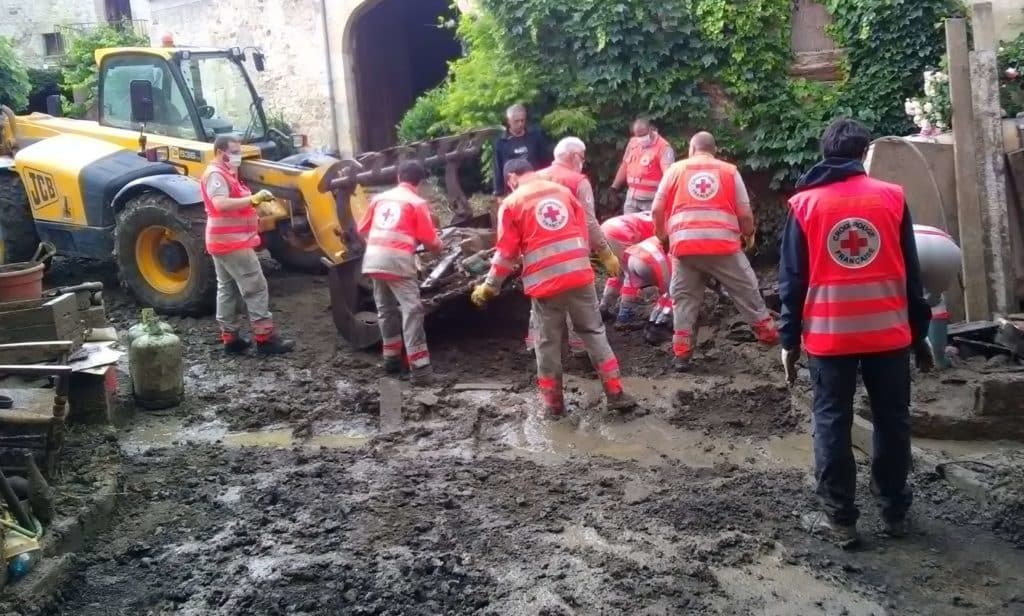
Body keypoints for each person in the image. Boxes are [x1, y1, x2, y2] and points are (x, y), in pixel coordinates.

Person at [779, 118, 933, 547]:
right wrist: (919, 333)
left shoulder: (804, 205)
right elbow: (911, 274)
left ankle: (841, 518)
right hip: (888, 334)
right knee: (893, 421)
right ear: (864, 154)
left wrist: (789, 340)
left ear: (825, 152)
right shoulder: (892, 198)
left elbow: (791, 281)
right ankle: (894, 512)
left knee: (831, 421)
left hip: (830, 338)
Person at [471, 160, 633, 417]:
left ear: (512, 177)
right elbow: (588, 225)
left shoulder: (512, 204)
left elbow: (506, 255)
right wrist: (606, 253)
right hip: (580, 276)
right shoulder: (562, 192)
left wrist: (489, 287)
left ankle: (554, 406)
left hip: (547, 284)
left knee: (547, 344)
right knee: (593, 332)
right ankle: (616, 394)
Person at [651, 131, 778, 371]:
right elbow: (744, 214)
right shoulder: (729, 171)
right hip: (723, 246)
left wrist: (663, 237)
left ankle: (682, 355)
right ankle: (770, 337)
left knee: (685, 299)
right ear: (714, 150)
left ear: (691, 149)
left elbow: (656, 210)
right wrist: (749, 235)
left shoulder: (675, 170)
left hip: (684, 247)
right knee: (746, 289)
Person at [201, 135, 293, 355]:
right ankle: (265, 339)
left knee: (227, 289)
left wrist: (254, 206)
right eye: (234, 151)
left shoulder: (227, 174)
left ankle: (230, 338)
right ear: (220, 152)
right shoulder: (216, 174)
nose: (238, 155)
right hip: (232, 243)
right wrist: (253, 199)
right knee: (256, 287)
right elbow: (220, 204)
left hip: (222, 242)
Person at [357, 160, 444, 384]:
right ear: (420, 182)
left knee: (385, 309)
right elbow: (429, 239)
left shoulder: (378, 198)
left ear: (398, 177)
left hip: (374, 259)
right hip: (398, 263)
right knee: (412, 310)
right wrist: (439, 247)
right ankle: (420, 369)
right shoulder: (416, 203)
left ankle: (391, 359)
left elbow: (362, 229)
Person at [532, 137, 617, 356]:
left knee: (541, 304)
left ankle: (535, 344)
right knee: (578, 305)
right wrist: (606, 253)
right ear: (572, 156)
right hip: (571, 255)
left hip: (538, 255)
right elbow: (589, 221)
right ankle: (580, 350)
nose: (584, 161)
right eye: (582, 155)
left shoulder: (534, 178)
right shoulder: (578, 182)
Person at [598, 211, 655, 319]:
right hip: (621, 233)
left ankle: (604, 307)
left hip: (607, 228)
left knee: (619, 272)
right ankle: (625, 314)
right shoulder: (666, 226)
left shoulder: (655, 215)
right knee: (632, 273)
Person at [611, 117, 674, 214]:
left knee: (648, 228)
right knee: (630, 227)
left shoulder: (663, 147)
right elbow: (625, 165)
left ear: (650, 130)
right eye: (638, 135)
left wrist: (663, 198)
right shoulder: (633, 143)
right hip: (632, 198)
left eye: (643, 135)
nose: (640, 139)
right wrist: (614, 187)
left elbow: (668, 175)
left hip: (651, 200)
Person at [618, 236, 674, 339]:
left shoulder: (675, 229)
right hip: (651, 260)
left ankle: (651, 323)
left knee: (667, 292)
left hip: (633, 257)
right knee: (674, 292)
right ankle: (660, 327)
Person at [493, 104, 552, 196]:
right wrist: (498, 192)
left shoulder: (535, 136)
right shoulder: (502, 141)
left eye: (522, 120)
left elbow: (545, 160)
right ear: (509, 121)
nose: (520, 124)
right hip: (513, 189)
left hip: (536, 185)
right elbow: (498, 168)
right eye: (516, 121)